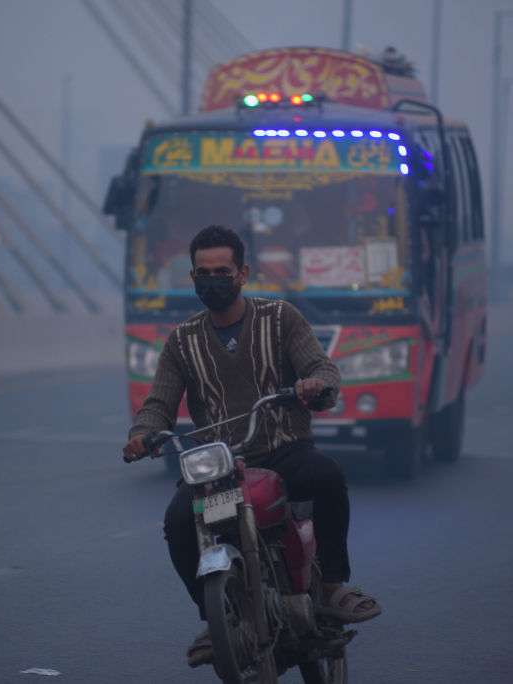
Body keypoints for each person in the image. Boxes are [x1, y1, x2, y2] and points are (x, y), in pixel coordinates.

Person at [122, 225, 381, 668]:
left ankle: (334, 585)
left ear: (242, 273)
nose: (213, 280)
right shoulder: (181, 342)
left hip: (283, 454)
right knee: (180, 522)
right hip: (221, 469)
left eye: (222, 271)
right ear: (192, 277)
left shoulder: (281, 319)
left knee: (327, 477)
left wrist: (315, 386)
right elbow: (159, 405)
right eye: (203, 273)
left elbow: (321, 367)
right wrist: (141, 435)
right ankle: (218, 617)